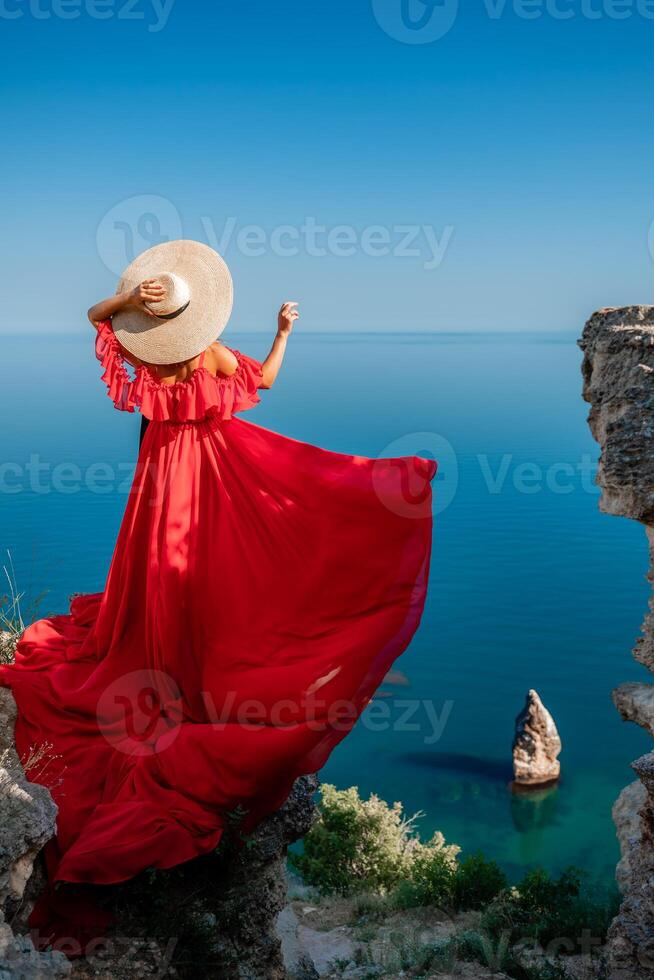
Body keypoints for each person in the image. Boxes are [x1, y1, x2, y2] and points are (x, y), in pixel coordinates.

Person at [0, 240, 437, 956]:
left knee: (154, 574)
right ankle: (193, 667)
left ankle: (155, 659)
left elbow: (95, 319)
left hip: (158, 481)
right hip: (207, 479)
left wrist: (122, 305)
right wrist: (284, 333)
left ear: (153, 314)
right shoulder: (213, 358)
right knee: (196, 571)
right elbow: (263, 380)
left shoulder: (145, 360)